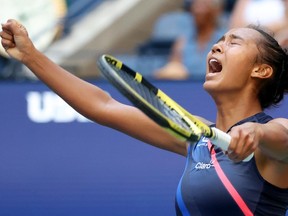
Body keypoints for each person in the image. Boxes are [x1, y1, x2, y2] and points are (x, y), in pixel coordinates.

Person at [1, 19, 288, 215]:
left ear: (261, 70)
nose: (217, 46)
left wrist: (257, 133)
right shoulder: (196, 135)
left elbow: (283, 137)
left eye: (233, 43)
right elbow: (103, 107)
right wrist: (30, 56)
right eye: (219, 41)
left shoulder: (270, 138)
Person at [153, 0, 228, 80]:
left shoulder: (225, 39)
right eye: (195, 6)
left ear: (215, 11)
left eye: (203, 6)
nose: (197, 10)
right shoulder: (182, 41)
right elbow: (174, 67)